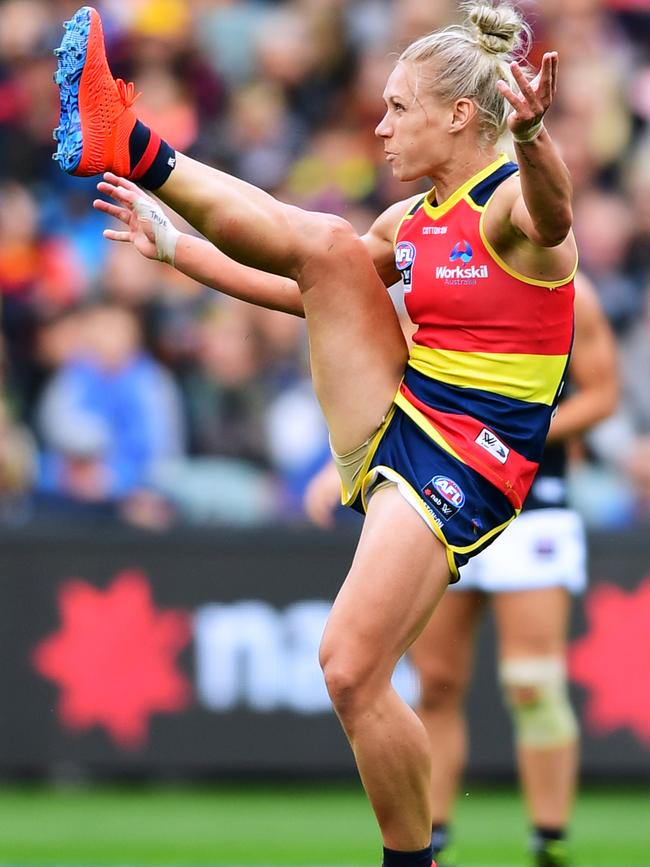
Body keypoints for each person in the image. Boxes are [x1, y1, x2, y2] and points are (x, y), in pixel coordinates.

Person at [53, 4, 577, 866]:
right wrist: (177, 248)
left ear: (458, 114)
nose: (380, 126)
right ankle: (130, 145)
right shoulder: (410, 222)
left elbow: (554, 218)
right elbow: (307, 285)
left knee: (348, 669)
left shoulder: (511, 201)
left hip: (468, 462)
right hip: (400, 416)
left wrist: (532, 137)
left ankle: (415, 856)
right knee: (333, 248)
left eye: (399, 107)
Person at [303, 273, 619, 867]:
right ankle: (433, 841)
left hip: (532, 501)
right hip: (441, 489)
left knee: (532, 682)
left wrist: (502, 433)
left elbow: (602, 395)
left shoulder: (572, 289)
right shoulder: (446, 275)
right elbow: (386, 370)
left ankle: (548, 844)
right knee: (438, 683)